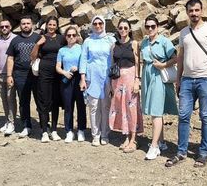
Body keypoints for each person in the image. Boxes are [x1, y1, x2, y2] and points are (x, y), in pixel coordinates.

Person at [166, 0, 207, 168]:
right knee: (183, 116)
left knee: (205, 116)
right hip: (187, 80)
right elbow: (181, 56)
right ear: (187, 13)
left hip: (206, 78)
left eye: (197, 10)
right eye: (191, 11)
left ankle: (204, 152)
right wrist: (178, 79)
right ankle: (181, 151)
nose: (194, 14)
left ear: (202, 11)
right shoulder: (184, 32)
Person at [139, 15, 177, 160]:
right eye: (147, 26)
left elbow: (175, 58)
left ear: (157, 27)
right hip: (148, 77)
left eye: (152, 26)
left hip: (159, 77)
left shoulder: (164, 41)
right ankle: (161, 142)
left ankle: (154, 146)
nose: (150, 29)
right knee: (155, 110)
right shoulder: (144, 42)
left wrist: (163, 65)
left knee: (156, 111)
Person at [79, 15, 115, 146]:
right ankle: (95, 134)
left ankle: (105, 133)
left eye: (100, 23)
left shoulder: (110, 40)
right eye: (95, 24)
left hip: (106, 76)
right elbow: (83, 59)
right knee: (93, 106)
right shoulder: (88, 41)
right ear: (92, 25)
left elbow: (114, 59)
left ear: (104, 24)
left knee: (105, 106)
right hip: (92, 76)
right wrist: (82, 78)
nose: (98, 26)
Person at [108, 18, 143, 153]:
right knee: (121, 107)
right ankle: (127, 136)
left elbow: (138, 62)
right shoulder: (114, 45)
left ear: (129, 29)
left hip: (130, 77)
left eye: (125, 28)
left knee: (132, 107)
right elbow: (112, 63)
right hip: (117, 79)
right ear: (117, 29)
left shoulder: (134, 44)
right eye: (121, 28)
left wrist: (137, 80)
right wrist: (111, 83)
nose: (123, 30)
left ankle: (134, 138)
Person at [6, 15, 41, 138]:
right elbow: (10, 58)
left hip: (36, 74)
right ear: (20, 26)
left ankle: (43, 125)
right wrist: (9, 75)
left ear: (32, 25)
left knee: (40, 100)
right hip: (20, 74)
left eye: (28, 23)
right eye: (23, 24)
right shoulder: (15, 40)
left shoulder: (38, 38)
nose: (26, 25)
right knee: (23, 101)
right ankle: (27, 126)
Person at [31, 16, 64, 142]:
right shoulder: (41, 37)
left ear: (57, 26)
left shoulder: (61, 38)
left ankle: (54, 130)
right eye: (49, 24)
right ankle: (44, 131)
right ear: (46, 25)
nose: (51, 27)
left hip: (57, 73)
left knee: (55, 102)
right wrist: (38, 44)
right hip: (44, 74)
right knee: (44, 102)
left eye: (54, 25)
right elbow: (33, 57)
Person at [56, 25, 87, 143]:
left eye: (73, 35)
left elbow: (86, 63)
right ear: (65, 37)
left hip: (79, 78)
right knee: (68, 106)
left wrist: (78, 68)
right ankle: (69, 131)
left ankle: (81, 130)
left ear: (77, 36)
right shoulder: (62, 50)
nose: (71, 37)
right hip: (66, 79)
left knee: (81, 106)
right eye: (69, 35)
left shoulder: (81, 48)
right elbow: (58, 67)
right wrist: (64, 72)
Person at [0, 19, 17, 135]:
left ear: (10, 27)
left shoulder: (15, 39)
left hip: (10, 74)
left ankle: (12, 122)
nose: (4, 28)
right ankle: (7, 121)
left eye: (6, 26)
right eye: (2, 27)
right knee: (4, 99)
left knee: (10, 98)